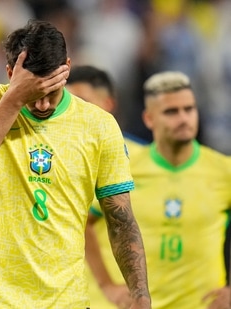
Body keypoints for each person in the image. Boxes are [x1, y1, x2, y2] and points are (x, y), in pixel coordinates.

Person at [0, 20, 151, 308]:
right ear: (10, 74)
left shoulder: (99, 126)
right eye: (34, 94)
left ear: (66, 67)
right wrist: (15, 100)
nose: (42, 105)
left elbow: (121, 221)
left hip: (64, 301)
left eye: (51, 92)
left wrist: (140, 294)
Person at [86, 71, 231, 308]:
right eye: (171, 112)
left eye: (189, 109)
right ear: (149, 119)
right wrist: (107, 285)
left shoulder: (223, 170)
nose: (183, 118)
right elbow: (84, 222)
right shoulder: (125, 167)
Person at [66, 65, 148, 308]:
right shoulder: (52, 158)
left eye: (82, 101)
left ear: (108, 104)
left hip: (123, 297)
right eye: (66, 102)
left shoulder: (142, 159)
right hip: (76, 295)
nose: (72, 111)